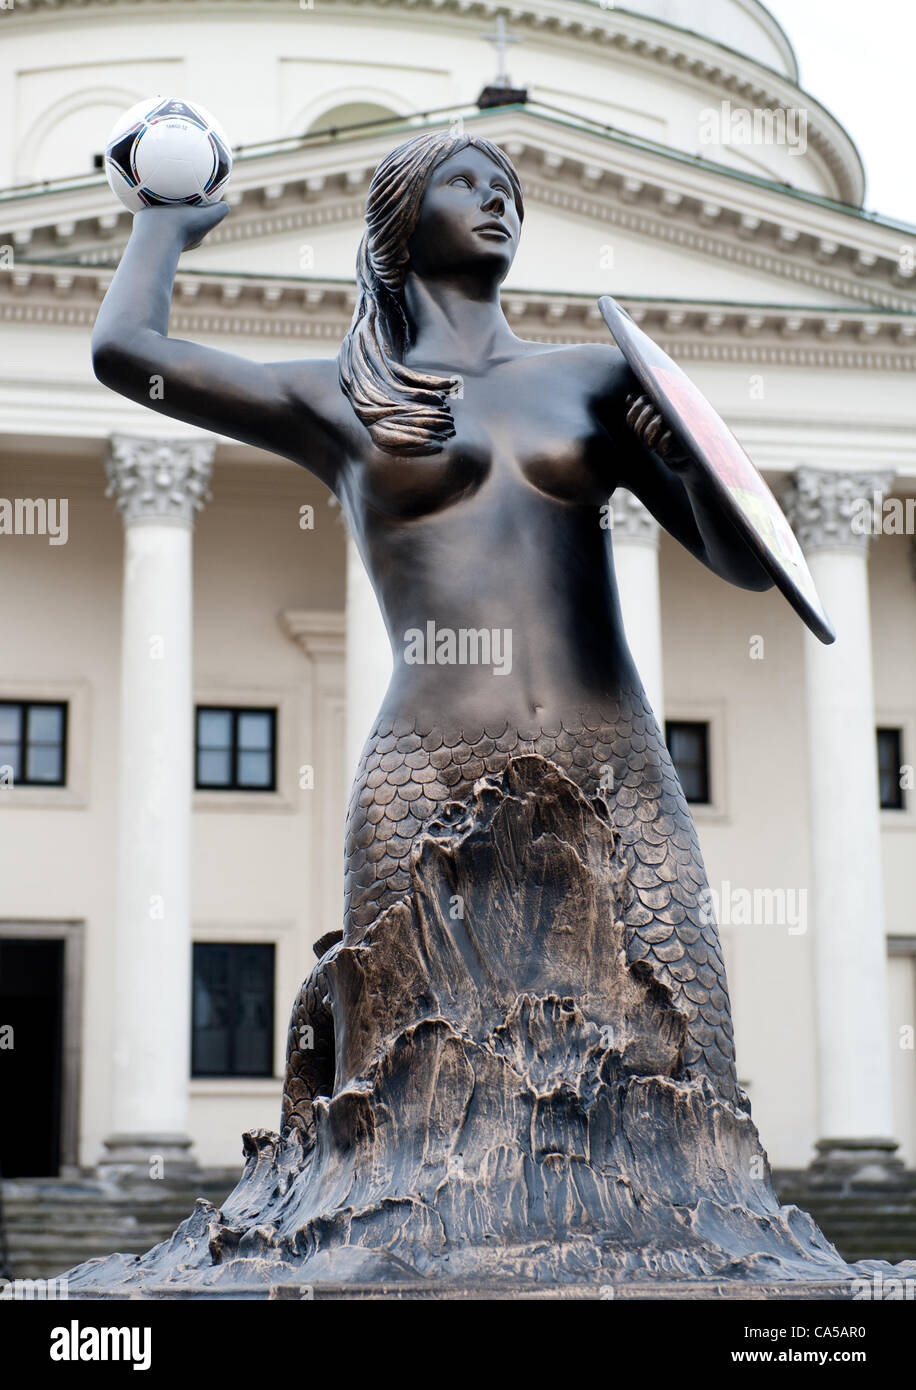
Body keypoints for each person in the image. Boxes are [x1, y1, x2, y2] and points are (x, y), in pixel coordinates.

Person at [92, 130, 773, 1115]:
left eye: (508, 189)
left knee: (691, 1061)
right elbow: (129, 355)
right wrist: (164, 225)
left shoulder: (596, 378)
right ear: (400, 227)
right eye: (465, 182)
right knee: (399, 1090)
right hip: (428, 766)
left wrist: (688, 464)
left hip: (613, 759)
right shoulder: (344, 395)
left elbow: (745, 563)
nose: (497, 201)